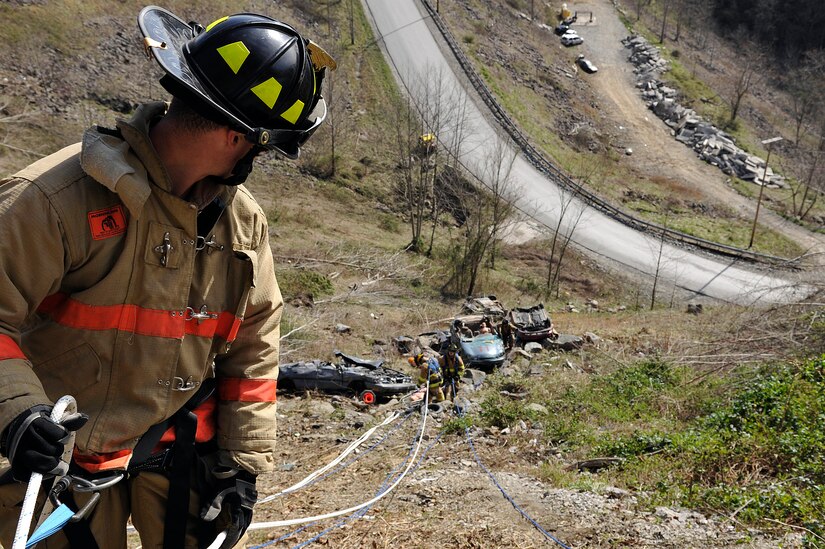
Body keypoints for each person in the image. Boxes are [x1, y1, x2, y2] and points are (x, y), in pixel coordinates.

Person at [0, 6, 335, 549]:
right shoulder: (54, 201)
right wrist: (17, 417)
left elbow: (254, 342)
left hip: (176, 455)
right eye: (266, 141)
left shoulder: (241, 223)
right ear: (238, 137)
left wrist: (241, 465)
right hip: (59, 462)